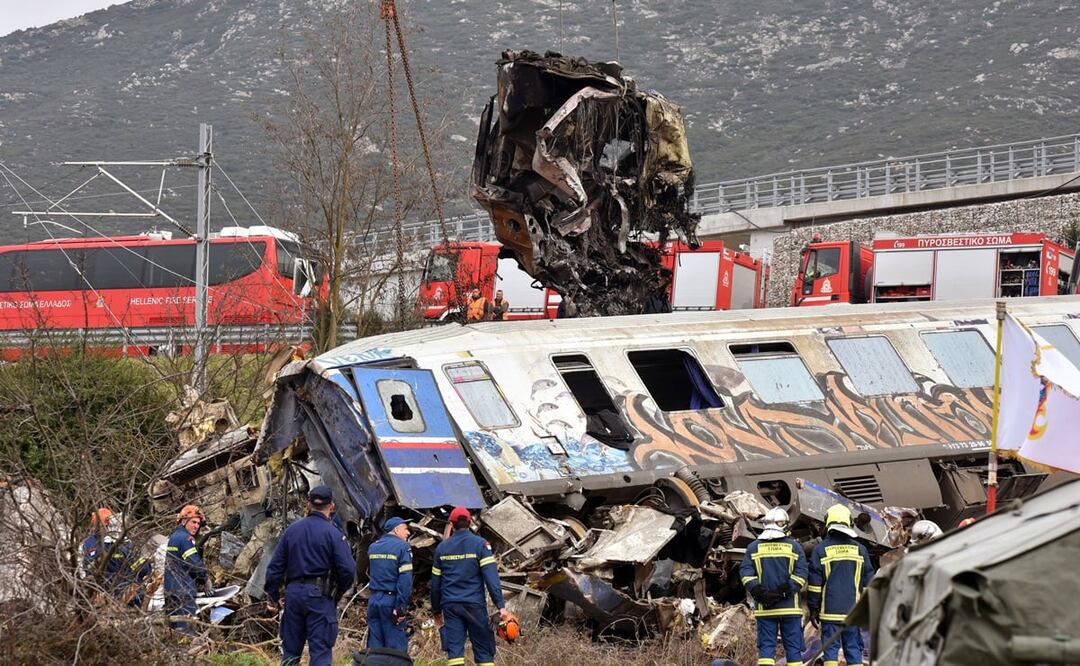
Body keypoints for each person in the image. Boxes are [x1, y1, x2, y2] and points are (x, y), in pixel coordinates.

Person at [264, 485, 357, 666]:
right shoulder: (334, 534)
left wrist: (273, 595)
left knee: (290, 653)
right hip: (320, 598)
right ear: (332, 506)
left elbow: (274, 567)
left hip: (293, 597)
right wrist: (335, 594)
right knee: (320, 652)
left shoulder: (291, 531)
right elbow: (348, 569)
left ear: (308, 505)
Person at [431, 506, 511, 666]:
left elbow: (435, 585)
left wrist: (436, 610)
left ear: (452, 525)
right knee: (484, 651)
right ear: (470, 522)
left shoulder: (442, 548)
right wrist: (500, 606)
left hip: (451, 606)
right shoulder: (480, 545)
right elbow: (491, 579)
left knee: (454, 653)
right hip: (474, 605)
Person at [740, 507, 808, 666]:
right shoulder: (794, 547)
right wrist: (784, 591)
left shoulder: (753, 547)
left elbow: (745, 572)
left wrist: (759, 592)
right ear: (784, 524)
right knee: (793, 650)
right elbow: (802, 573)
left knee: (766, 650)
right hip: (790, 608)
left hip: (765, 609)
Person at [807, 504, 874, 666]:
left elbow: (815, 585)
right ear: (849, 522)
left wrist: (813, 608)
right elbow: (869, 583)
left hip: (829, 612)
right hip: (853, 612)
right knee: (853, 648)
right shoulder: (861, 550)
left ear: (828, 522)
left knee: (830, 650)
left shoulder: (820, 550)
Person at [366, 517, 413, 652]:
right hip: (391, 601)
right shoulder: (403, 547)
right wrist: (400, 607)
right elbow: (405, 580)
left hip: (374, 601)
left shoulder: (373, 547)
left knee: (374, 649)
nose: (408, 533)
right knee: (395, 651)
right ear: (397, 529)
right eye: (405, 529)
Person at [164, 504, 208, 634]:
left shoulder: (174, 537)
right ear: (184, 521)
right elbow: (194, 563)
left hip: (171, 590)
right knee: (186, 632)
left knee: (175, 632)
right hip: (183, 592)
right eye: (193, 522)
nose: (196, 526)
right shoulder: (185, 539)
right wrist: (205, 579)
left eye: (198, 523)